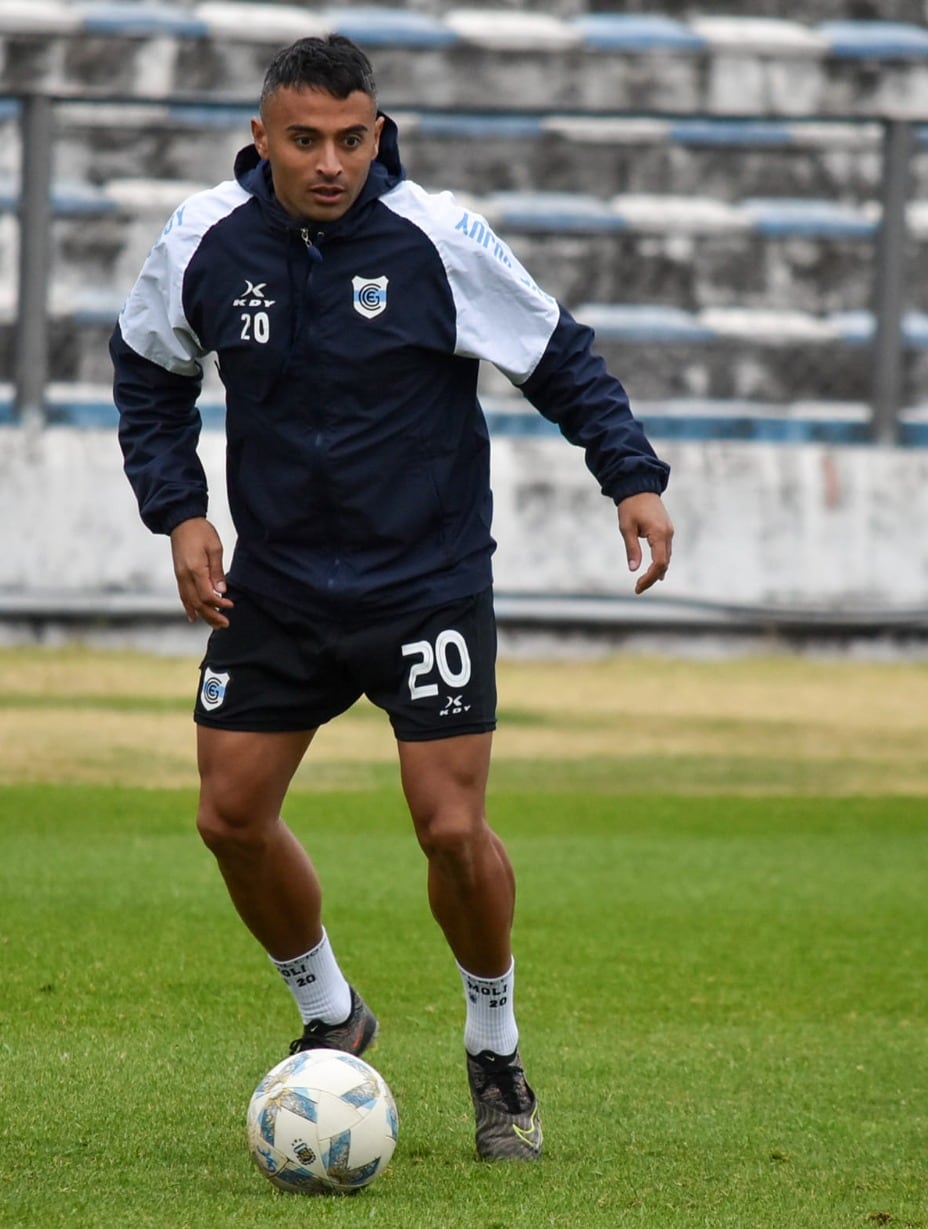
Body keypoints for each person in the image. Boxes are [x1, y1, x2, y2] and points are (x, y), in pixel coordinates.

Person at [110, 34, 673, 1163]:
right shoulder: (200, 242)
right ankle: (332, 1014)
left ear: (379, 130)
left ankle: (493, 1048)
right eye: (306, 139)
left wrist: (635, 478)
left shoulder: (439, 237)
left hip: (425, 584)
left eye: (352, 137)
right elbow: (148, 371)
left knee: (451, 827)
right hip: (275, 587)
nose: (331, 161)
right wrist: (178, 511)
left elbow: (560, 359)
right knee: (227, 814)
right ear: (260, 137)